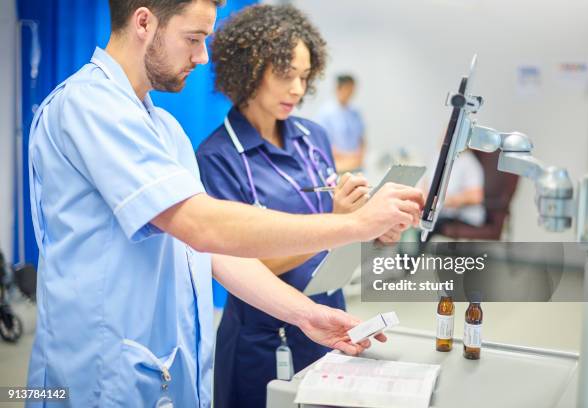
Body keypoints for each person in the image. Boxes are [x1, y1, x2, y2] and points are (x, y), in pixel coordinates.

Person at [25, 0, 425, 406]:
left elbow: (212, 251)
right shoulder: (88, 106)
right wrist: (354, 225)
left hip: (159, 367)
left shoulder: (164, 130)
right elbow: (202, 225)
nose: (201, 57)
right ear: (144, 21)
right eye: (194, 39)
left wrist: (306, 314)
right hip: (98, 373)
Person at [196, 6, 404, 408]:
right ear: (249, 69)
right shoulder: (218, 157)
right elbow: (238, 266)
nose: (297, 88)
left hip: (333, 320)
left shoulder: (314, 136)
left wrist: (373, 229)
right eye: (285, 74)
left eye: (305, 77)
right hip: (265, 338)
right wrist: (341, 223)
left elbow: (339, 236)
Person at [316, 74, 366, 173]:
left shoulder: (355, 112)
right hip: (337, 166)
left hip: (356, 165)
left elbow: (361, 138)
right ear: (338, 88)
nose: (351, 93)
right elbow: (323, 143)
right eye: (348, 89)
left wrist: (359, 156)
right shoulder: (326, 113)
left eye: (352, 89)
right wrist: (348, 157)